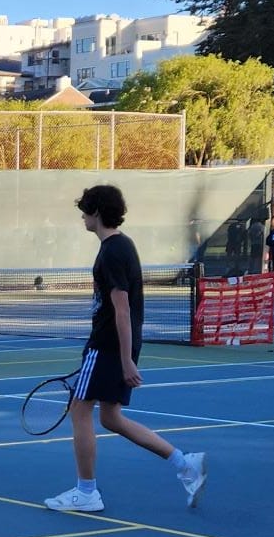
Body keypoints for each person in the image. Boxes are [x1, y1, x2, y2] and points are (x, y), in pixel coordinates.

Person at [44, 184, 206, 513]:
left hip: (107, 347)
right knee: (111, 418)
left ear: (96, 212)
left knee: (79, 410)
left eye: (85, 210)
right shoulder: (120, 246)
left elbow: (122, 309)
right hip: (113, 347)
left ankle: (86, 492)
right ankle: (185, 464)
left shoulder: (113, 252)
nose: (82, 217)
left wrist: (126, 361)